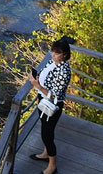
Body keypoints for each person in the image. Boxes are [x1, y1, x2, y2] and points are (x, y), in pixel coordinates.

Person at [28, 37, 72, 174]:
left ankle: (52, 166)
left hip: (51, 104)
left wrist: (37, 85)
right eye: (52, 51)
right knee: (47, 130)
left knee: (46, 135)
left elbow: (55, 95)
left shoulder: (64, 71)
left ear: (65, 54)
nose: (53, 54)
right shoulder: (53, 62)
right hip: (43, 100)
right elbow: (47, 77)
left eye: (57, 52)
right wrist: (37, 77)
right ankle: (46, 153)